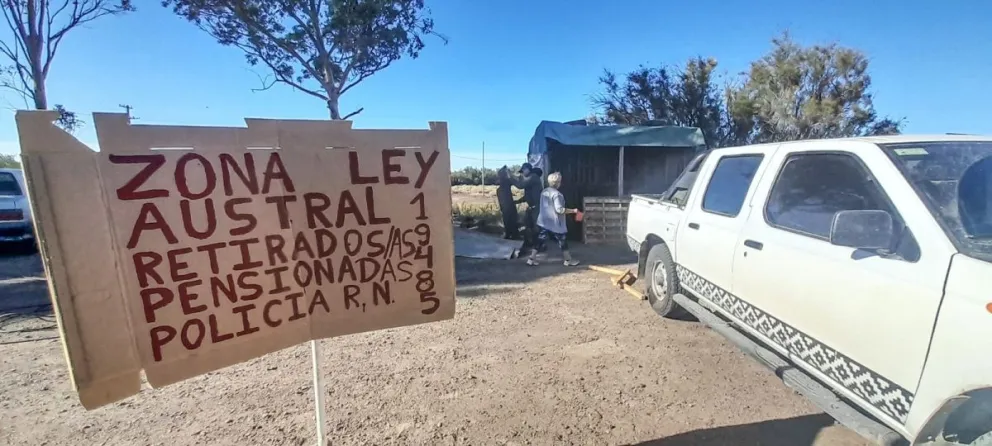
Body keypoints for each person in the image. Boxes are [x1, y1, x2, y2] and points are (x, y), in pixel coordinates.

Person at [527, 172, 580, 266]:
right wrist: (573, 211)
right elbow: (559, 210)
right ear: (558, 183)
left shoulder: (544, 191)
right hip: (554, 223)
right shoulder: (557, 195)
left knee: (540, 240)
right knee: (562, 241)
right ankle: (568, 260)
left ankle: (531, 259)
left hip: (543, 221)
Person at [512, 163, 544, 251]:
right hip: (532, 207)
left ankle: (539, 245)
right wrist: (517, 201)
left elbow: (520, 185)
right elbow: (527, 196)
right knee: (528, 224)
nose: (522, 174)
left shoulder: (533, 177)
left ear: (527, 169)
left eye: (523, 171)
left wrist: (510, 177)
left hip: (537, 207)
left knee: (536, 227)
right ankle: (531, 243)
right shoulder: (530, 180)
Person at [495, 166, 520, 239]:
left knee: (507, 220)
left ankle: (509, 234)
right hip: (509, 204)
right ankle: (514, 235)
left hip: (505, 205)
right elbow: (516, 182)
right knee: (512, 220)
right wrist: (509, 174)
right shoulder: (507, 182)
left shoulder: (500, 188)